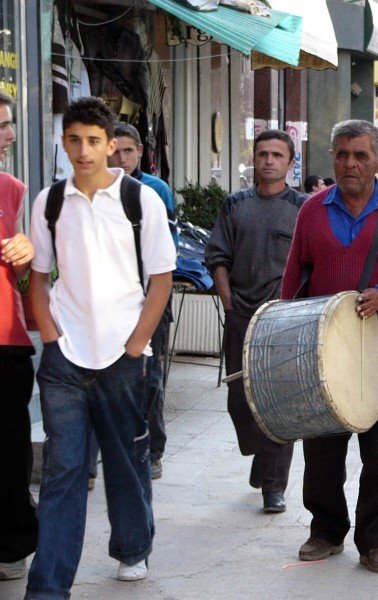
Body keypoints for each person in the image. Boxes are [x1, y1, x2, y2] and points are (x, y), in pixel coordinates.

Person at [26, 97, 175, 595]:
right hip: (65, 356)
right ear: (63, 143)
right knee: (64, 470)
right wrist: (50, 335)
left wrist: (136, 343)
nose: (83, 150)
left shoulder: (140, 200)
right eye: (74, 140)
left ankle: (132, 546)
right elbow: (38, 277)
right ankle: (48, 589)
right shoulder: (49, 202)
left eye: (94, 141)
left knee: (125, 458)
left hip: (123, 355)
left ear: (111, 144)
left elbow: (161, 277)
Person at [281, 119, 378, 574]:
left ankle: (375, 541)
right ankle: (326, 530)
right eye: (342, 155)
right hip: (323, 342)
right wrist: (286, 334)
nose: (350, 163)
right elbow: (295, 277)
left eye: (360, 155)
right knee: (323, 439)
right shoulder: (312, 210)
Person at [205, 130, 306, 513]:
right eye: (262, 154)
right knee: (240, 401)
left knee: (279, 401)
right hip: (241, 316)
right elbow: (217, 258)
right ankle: (261, 456)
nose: (268, 161)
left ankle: (273, 487)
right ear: (254, 159)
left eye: (277, 155)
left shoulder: (303, 208)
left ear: (290, 162)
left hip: (285, 320)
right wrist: (230, 305)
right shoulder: (235, 205)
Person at [105, 122, 177, 480]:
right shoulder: (97, 191)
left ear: (141, 152)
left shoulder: (154, 190)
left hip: (150, 299)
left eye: (128, 151)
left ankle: (153, 450)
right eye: (115, 150)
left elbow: (168, 251)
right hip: (107, 304)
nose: (122, 158)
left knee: (151, 377)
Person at [0, 90, 38, 582]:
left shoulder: (11, 188)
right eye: (1, 126)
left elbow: (25, 267)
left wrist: (28, 251)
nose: (8, 135)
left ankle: (11, 542)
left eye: (9, 124)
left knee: (9, 447)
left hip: (6, 336)